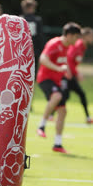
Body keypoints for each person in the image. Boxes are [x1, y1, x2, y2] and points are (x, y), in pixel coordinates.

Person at [36, 22, 81, 154]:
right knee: (57, 96)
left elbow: (63, 58)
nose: (77, 40)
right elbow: (43, 59)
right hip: (45, 78)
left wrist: (67, 70)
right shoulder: (54, 43)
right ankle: (42, 125)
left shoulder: (67, 46)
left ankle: (57, 143)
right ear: (69, 35)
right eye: (76, 37)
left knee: (62, 111)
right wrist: (58, 68)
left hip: (56, 80)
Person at [62, 27, 93, 124]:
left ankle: (88, 118)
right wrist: (77, 73)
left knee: (66, 96)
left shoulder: (83, 46)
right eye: (91, 36)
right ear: (85, 37)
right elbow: (68, 60)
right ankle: (88, 118)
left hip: (71, 75)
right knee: (68, 95)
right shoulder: (78, 45)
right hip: (67, 75)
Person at [20, 0, 45, 76]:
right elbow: (40, 35)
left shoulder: (20, 19)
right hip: (34, 47)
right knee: (33, 68)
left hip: (22, 47)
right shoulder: (37, 20)